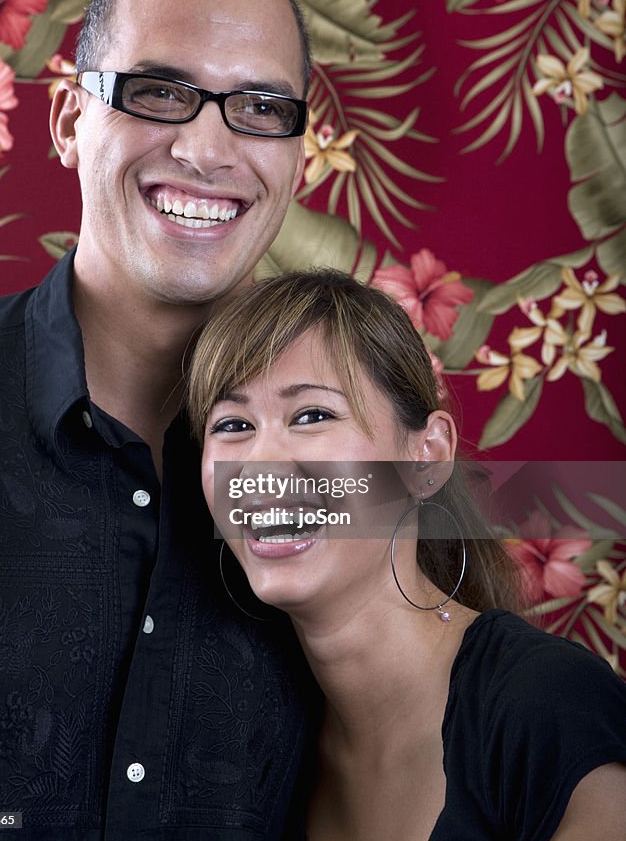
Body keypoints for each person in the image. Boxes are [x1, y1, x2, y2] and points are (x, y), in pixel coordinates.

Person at [0, 0, 314, 839]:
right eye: (159, 92)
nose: (207, 148)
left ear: (301, 154)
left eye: (259, 107)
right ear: (69, 120)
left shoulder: (352, 450)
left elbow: (441, 712)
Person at [187, 269, 626, 841]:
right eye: (233, 425)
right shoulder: (249, 750)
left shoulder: (548, 702)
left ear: (427, 456)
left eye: (313, 415)